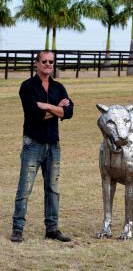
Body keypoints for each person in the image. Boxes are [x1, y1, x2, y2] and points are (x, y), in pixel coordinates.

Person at [11, 50, 74, 243]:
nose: (48, 64)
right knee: (25, 187)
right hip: (33, 144)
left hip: (53, 145)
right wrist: (58, 110)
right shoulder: (27, 87)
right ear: (36, 63)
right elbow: (33, 115)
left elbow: (69, 112)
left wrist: (46, 107)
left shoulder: (58, 87)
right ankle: (17, 229)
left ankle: (52, 229)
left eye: (51, 62)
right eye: (44, 61)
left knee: (53, 188)